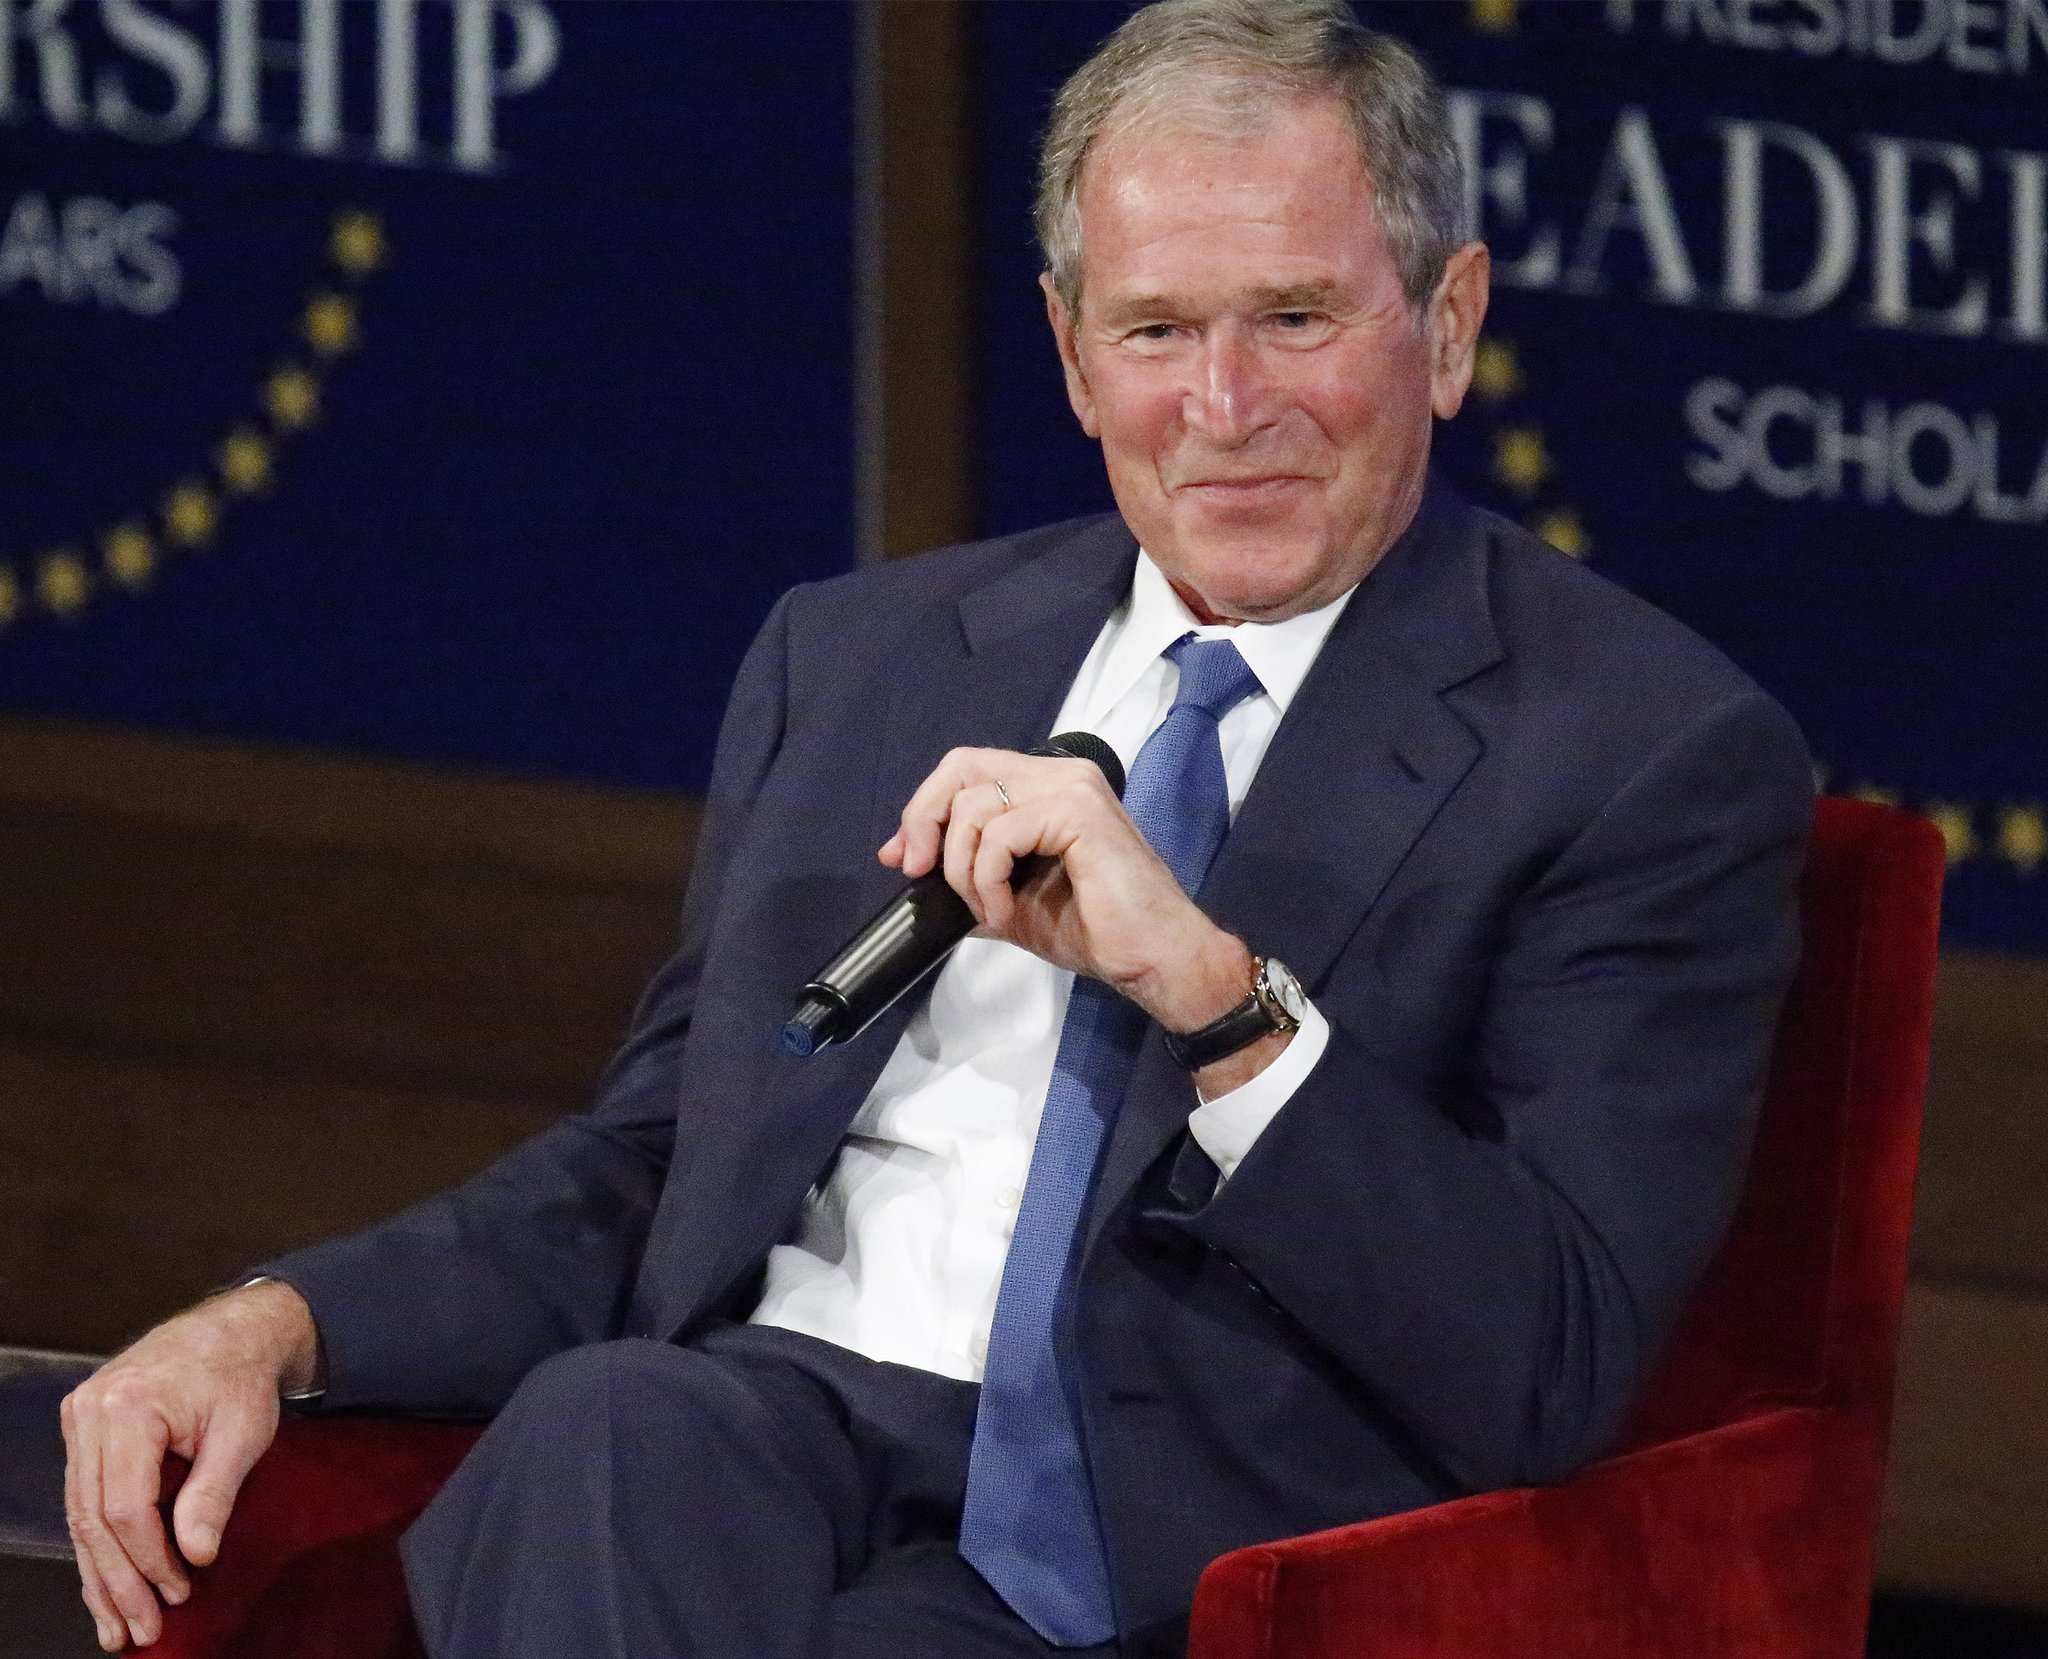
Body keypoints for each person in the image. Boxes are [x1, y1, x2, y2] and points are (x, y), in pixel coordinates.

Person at [61, 3, 1813, 1655]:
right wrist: (275, 1326)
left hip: (1160, 1528)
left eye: (1296, 318)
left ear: (1445, 323)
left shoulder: (1639, 750)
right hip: (774, 1437)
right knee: (611, 1424)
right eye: (1154, 331)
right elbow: (658, 1163)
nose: (1225, 407)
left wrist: (1216, 996)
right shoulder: (868, 657)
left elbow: (1549, 1358)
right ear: (1068, 353)